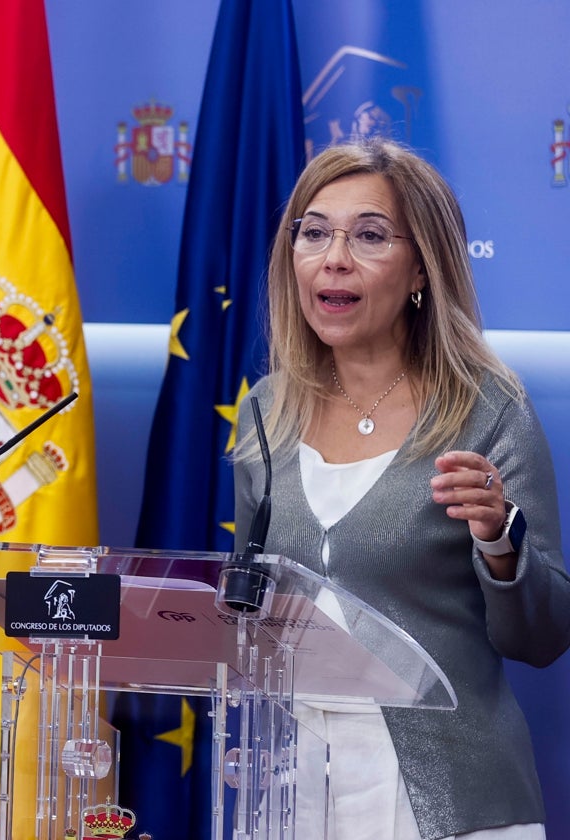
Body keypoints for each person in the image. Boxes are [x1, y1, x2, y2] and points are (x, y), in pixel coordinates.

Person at [234, 138, 570, 839]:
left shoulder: (487, 409)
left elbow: (542, 636)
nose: (333, 258)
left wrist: (502, 546)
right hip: (289, 797)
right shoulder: (266, 410)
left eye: (369, 236)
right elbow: (247, 607)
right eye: (315, 232)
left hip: (454, 802)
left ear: (421, 267)